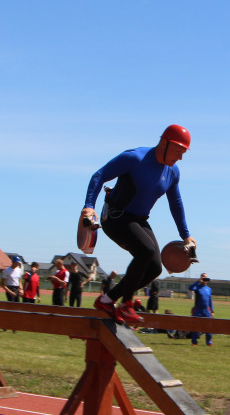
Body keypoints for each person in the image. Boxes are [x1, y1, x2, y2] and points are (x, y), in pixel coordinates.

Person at [82, 124, 196, 326]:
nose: (180, 158)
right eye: (178, 151)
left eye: (183, 153)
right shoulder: (134, 158)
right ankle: (126, 304)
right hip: (116, 217)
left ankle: (107, 300)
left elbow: (176, 203)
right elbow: (99, 175)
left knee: (154, 267)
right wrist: (89, 206)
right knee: (146, 250)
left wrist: (186, 235)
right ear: (164, 143)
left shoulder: (173, 172)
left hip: (139, 220)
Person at [188, 273, 214, 346]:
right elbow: (190, 288)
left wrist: (212, 310)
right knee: (196, 326)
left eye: (205, 278)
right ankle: (194, 341)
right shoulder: (197, 287)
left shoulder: (209, 289)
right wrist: (197, 281)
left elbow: (210, 300)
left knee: (208, 326)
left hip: (206, 310)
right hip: (198, 309)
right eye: (203, 277)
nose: (204, 279)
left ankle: (209, 342)